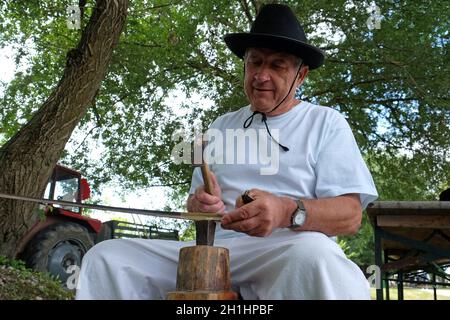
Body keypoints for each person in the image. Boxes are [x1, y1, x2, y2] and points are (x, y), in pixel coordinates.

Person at [76, 4, 378, 300]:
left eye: (276, 65)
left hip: (285, 252)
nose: (261, 75)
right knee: (108, 258)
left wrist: (286, 211)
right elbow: (196, 208)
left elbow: (350, 216)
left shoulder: (325, 122)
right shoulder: (222, 125)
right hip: (214, 252)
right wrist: (201, 204)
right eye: (255, 62)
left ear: (300, 76)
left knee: (317, 256)